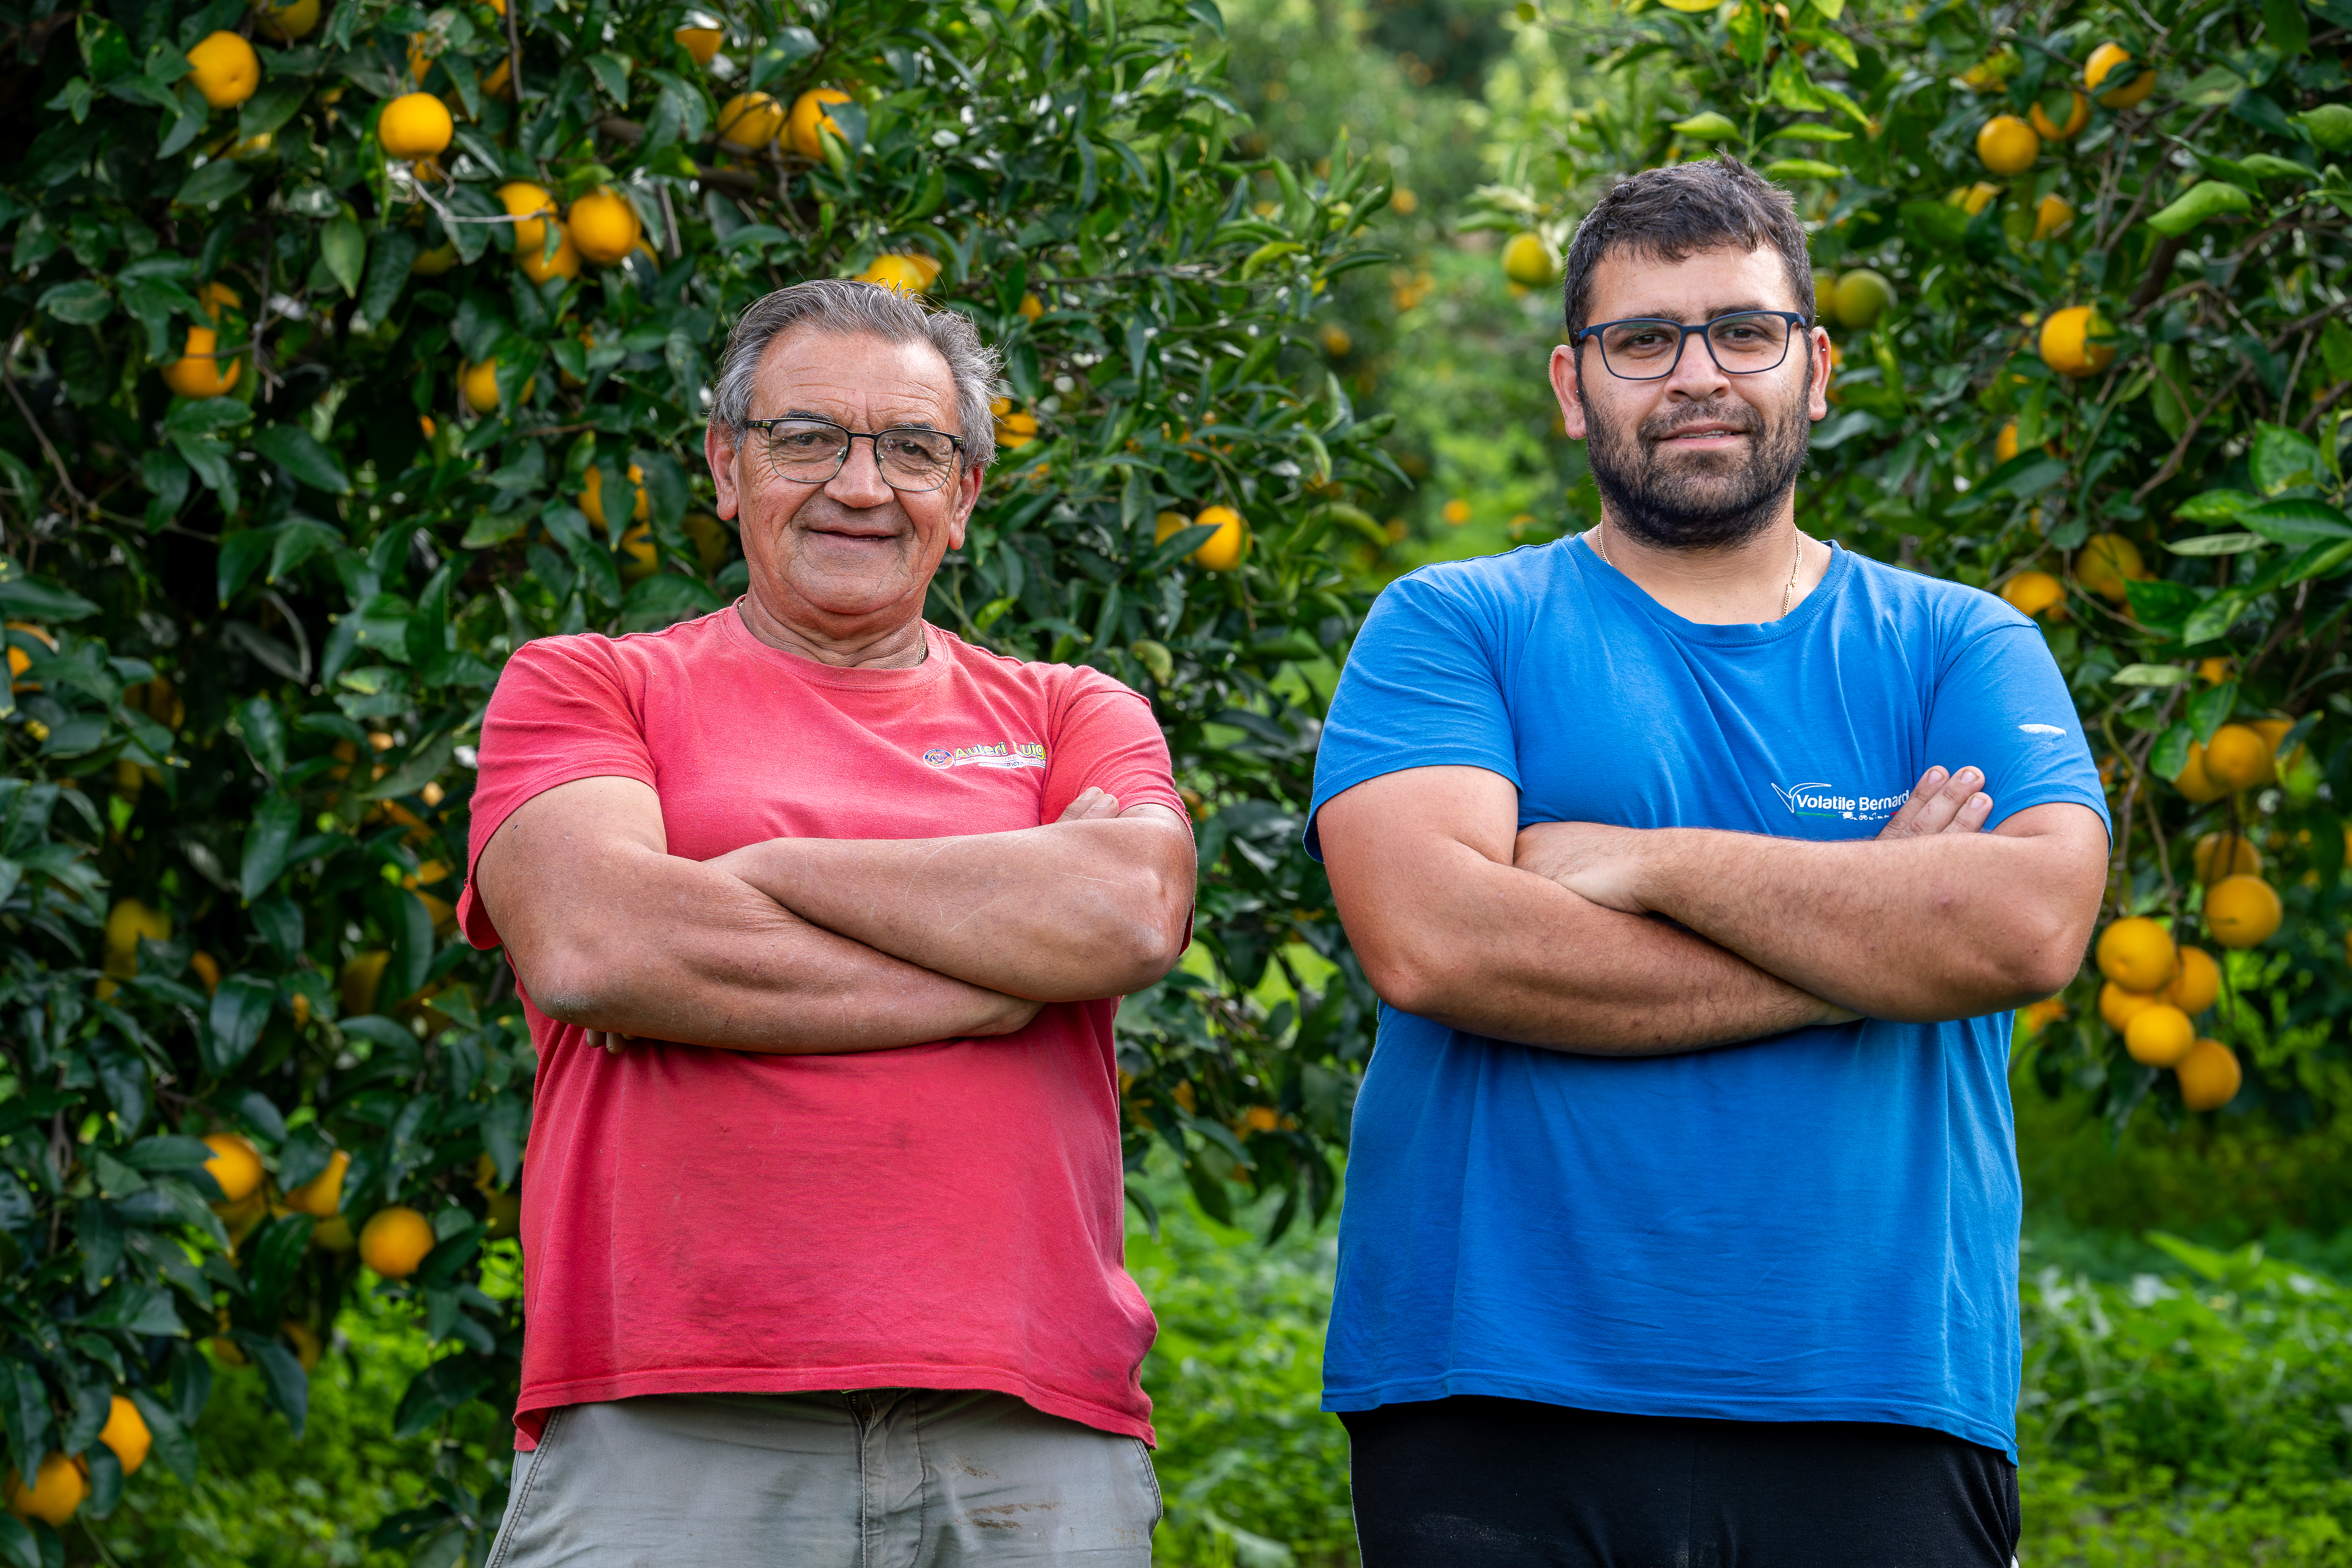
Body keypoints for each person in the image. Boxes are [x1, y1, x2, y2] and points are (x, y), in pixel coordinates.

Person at [1309, 155, 2110, 1567]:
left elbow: (2029, 928)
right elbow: (1436, 940)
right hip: (1493, 1385)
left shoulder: (1961, 644)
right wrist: (1867, 940)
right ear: (1572, 386)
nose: (1697, 374)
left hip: (1876, 1394)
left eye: (1745, 331)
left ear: (1816, 369)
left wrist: (1643, 861)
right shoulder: (1453, 625)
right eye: (1642, 341)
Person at [459, 279, 1195, 1565]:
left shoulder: (1075, 710)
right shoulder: (588, 687)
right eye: (808, 439)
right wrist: (994, 973)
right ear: (728, 467)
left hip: (1028, 1428)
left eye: (913, 448)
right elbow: (602, 945)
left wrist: (757, 868)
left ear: (963, 498)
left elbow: (1127, 910)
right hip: (671, 1422)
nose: (862, 484)